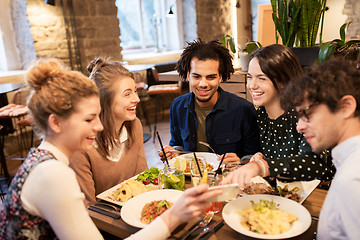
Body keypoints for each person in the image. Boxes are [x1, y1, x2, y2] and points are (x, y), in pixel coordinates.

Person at [0, 59, 221, 240]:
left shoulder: (43, 162)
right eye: (88, 119)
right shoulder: (53, 174)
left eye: (97, 116)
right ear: (56, 123)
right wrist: (172, 216)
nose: (98, 126)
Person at [222, 44, 334, 188]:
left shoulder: (307, 112)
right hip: (284, 193)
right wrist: (254, 159)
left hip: (321, 195)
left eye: (262, 78)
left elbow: (313, 164)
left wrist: (263, 166)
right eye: (250, 77)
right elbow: (268, 158)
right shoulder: (261, 113)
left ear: (283, 81)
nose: (252, 85)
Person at [280, 58, 360, 239]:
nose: (298, 126)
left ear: (345, 107)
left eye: (306, 113)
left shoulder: (353, 179)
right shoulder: (347, 164)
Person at [159, 39, 261, 163]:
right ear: (187, 76)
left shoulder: (244, 110)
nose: (203, 84)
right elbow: (177, 144)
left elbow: (254, 156)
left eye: (211, 77)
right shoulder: (177, 106)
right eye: (196, 76)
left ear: (221, 77)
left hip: (230, 179)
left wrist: (240, 161)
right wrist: (173, 153)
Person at [70, 57, 147, 205]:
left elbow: (142, 180)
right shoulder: (81, 144)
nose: (136, 99)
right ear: (104, 100)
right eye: (127, 94)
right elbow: (88, 206)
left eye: (135, 91)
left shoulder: (135, 125)